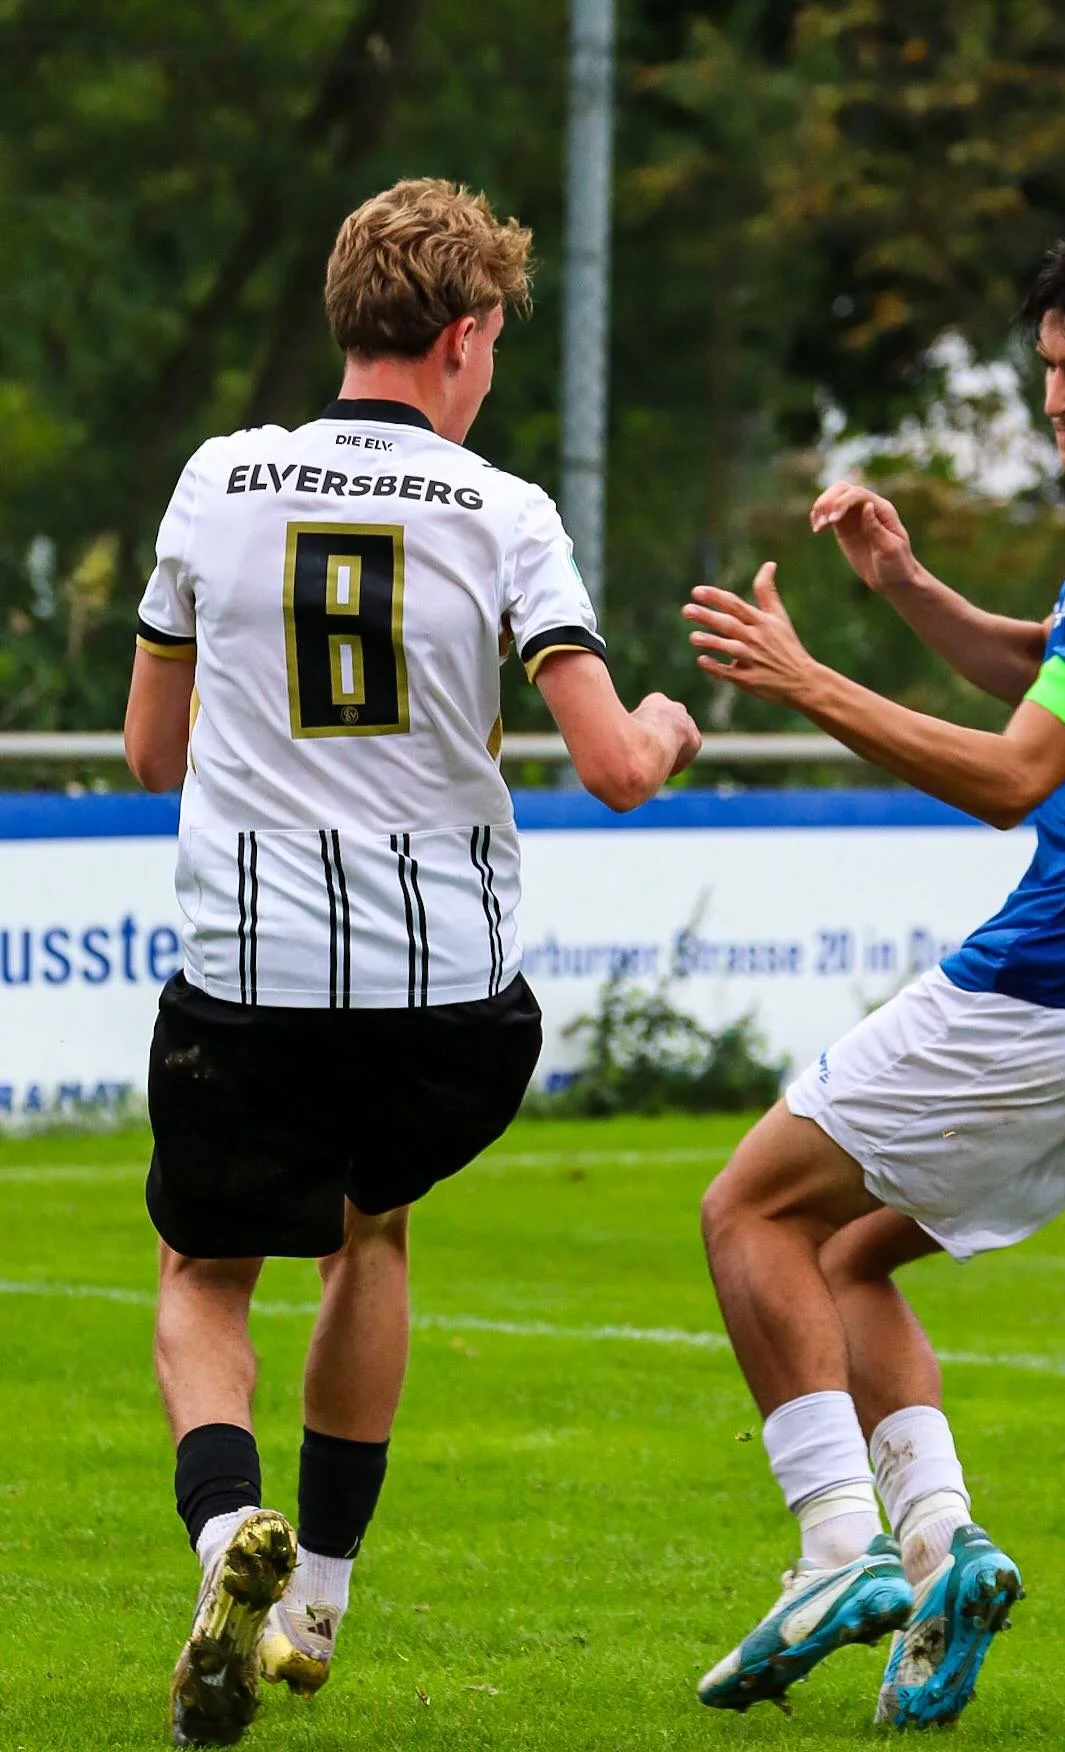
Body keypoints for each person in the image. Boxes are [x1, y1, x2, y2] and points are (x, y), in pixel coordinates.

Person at [124, 176, 700, 1748]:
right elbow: (615, 768)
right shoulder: (504, 510)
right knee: (367, 1234)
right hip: (446, 995)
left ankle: (221, 1540)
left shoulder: (216, 478)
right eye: (495, 341)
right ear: (463, 333)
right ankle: (314, 1599)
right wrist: (665, 724)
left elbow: (151, 752)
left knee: (202, 1273)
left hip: (249, 977)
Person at [682, 214, 1065, 1728]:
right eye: (1053, 367)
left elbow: (1017, 775)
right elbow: (1051, 674)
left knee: (748, 1210)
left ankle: (834, 1550)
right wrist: (904, 585)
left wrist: (811, 679)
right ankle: (944, 1551)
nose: (1061, 397)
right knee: (846, 1255)